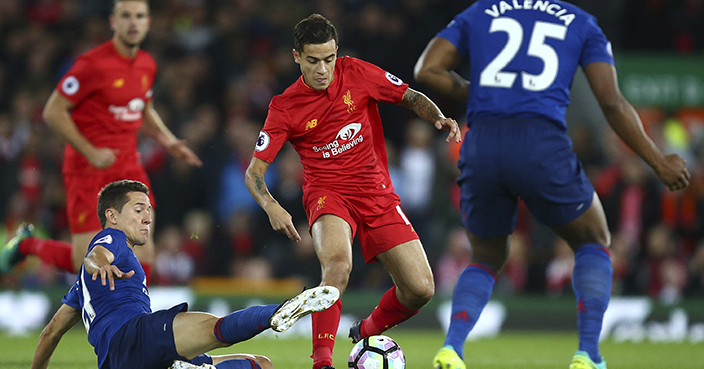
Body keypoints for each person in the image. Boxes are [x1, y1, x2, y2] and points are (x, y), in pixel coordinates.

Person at [413, 1, 691, 369]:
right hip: (540, 144)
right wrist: (658, 160)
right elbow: (611, 101)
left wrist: (480, 90)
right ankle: (588, 354)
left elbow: (426, 70)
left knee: (485, 257)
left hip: (482, 144)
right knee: (593, 239)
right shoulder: (581, 22)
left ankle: (452, 348)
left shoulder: (481, 12)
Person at [244, 14, 461, 369]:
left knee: (421, 289)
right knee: (337, 268)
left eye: (329, 59)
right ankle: (322, 362)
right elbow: (254, 173)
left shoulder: (356, 72)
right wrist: (271, 206)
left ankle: (366, 330)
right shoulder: (284, 106)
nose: (323, 69)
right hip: (328, 195)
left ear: (336, 53)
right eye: (313, 60)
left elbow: (408, 95)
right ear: (297, 57)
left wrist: (437, 117)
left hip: (376, 193)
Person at [31, 179, 340, 369]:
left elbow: (50, 332)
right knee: (216, 331)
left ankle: (186, 367)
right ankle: (279, 311)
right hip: (134, 338)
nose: (147, 218)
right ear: (112, 216)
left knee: (260, 364)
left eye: (149, 210)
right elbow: (95, 256)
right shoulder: (110, 240)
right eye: (138, 209)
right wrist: (100, 263)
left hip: (124, 360)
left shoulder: (82, 291)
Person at [0, 0, 202, 283]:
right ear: (113, 22)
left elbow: (144, 108)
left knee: (143, 250)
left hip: (128, 165)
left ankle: (133, 318)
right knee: (83, 262)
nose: (133, 22)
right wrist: (91, 151)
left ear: (148, 23)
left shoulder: (146, 64)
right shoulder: (91, 65)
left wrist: (169, 142)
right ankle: (26, 245)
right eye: (126, 16)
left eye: (139, 16)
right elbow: (53, 111)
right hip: (88, 167)